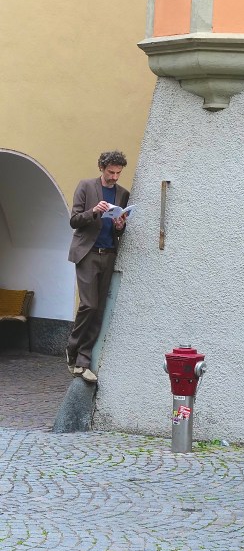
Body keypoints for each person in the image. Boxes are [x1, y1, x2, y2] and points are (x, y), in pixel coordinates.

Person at [66, 150, 129, 384]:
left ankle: (83, 361)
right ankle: (72, 348)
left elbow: (119, 229)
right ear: (102, 168)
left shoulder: (123, 194)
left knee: (99, 309)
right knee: (89, 305)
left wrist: (120, 225)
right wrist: (94, 211)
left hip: (109, 253)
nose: (114, 177)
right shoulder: (86, 186)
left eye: (118, 173)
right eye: (111, 172)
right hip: (87, 253)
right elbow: (74, 221)